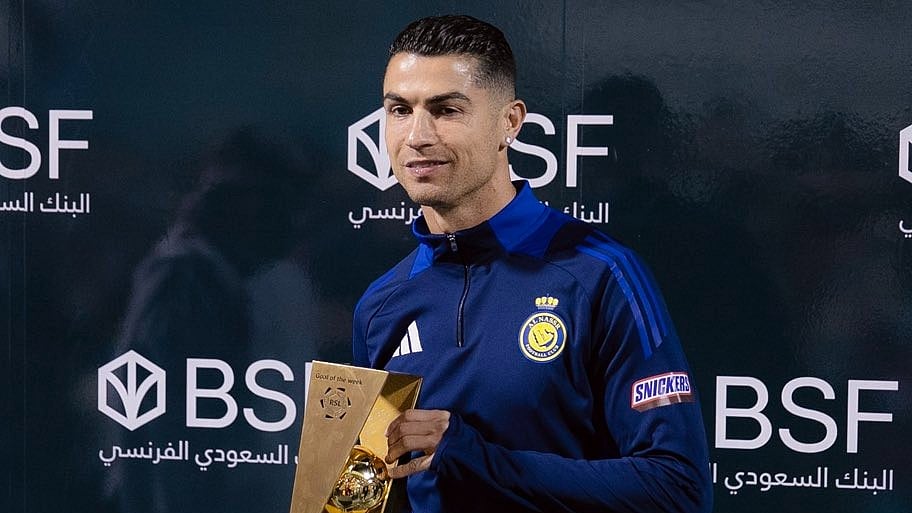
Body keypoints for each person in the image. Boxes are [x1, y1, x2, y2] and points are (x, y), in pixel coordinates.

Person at [352, 15, 712, 513]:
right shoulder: (380, 304)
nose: (417, 135)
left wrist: (473, 456)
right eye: (399, 109)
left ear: (510, 122)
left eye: (446, 110)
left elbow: (677, 490)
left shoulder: (598, 275)